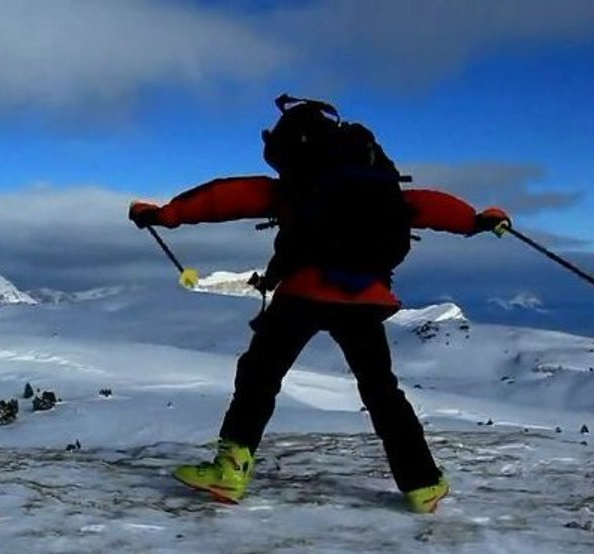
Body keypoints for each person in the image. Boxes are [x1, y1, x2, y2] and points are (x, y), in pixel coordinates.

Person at [128, 94, 510, 513]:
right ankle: (423, 484)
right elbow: (429, 206)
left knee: (260, 375)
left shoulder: (295, 186)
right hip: (366, 298)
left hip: (303, 293)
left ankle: (230, 469)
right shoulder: (380, 188)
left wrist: (165, 215)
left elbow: (229, 197)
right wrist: (478, 220)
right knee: (381, 390)